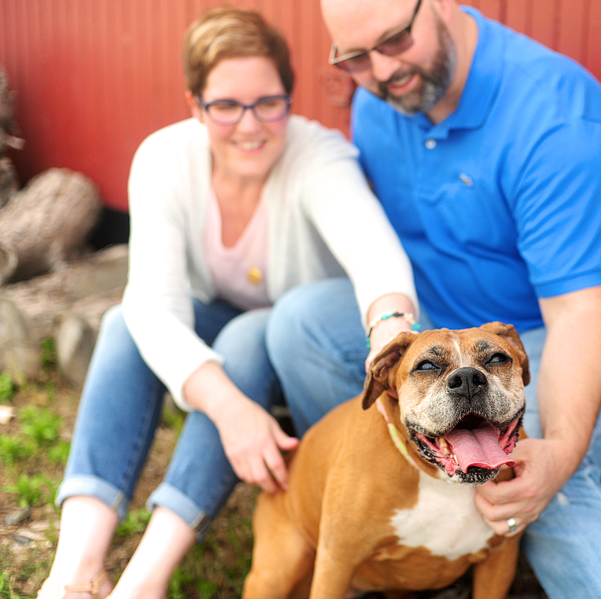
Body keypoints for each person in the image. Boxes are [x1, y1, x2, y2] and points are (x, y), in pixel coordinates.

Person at [267, 0, 601, 597]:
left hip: (587, 332)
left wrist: (562, 451)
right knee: (299, 325)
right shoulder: (383, 104)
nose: (383, 72)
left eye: (394, 40)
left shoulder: (556, 118)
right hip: (442, 329)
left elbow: (576, 313)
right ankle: (383, 533)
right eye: (356, 57)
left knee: (532, 478)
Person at [37, 7, 417, 599]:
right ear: (195, 105)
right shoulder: (165, 159)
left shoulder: (319, 158)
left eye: (269, 102)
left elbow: (377, 258)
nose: (250, 125)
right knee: (123, 323)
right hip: (229, 335)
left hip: (305, 349)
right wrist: (232, 410)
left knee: (247, 335)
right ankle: (76, 569)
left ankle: (146, 580)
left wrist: (393, 327)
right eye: (225, 106)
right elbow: (155, 306)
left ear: (290, 99)